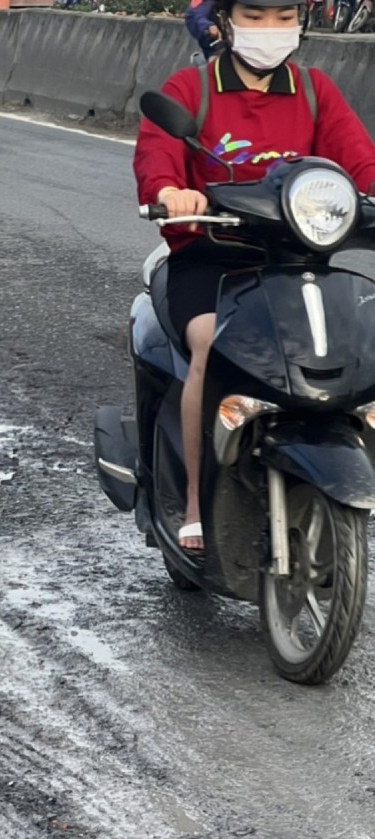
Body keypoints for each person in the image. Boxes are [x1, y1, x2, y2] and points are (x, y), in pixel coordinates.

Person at [133, 0, 375, 551]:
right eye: (257, 16)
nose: (271, 30)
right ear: (224, 21)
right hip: (211, 258)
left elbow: (360, 162)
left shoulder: (315, 91)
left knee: (358, 346)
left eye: (284, 17)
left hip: (295, 262)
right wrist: (171, 191)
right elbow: (158, 156)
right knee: (207, 344)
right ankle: (195, 502)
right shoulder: (191, 88)